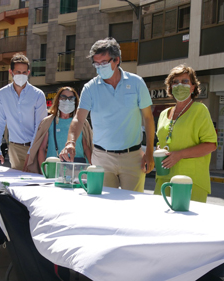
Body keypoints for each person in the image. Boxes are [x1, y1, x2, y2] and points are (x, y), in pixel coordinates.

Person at [60, 37, 155, 192]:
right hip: (102, 158)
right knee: (103, 205)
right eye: (96, 64)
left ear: (116, 60)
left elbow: (148, 118)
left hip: (133, 158)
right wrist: (70, 142)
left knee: (132, 208)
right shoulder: (90, 88)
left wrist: (149, 153)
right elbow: (78, 118)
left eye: (103, 62)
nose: (99, 67)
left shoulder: (137, 83)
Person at [153, 65, 217, 203]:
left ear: (193, 87)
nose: (179, 85)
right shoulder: (164, 114)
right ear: (170, 87)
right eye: (175, 82)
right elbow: (163, 141)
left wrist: (179, 155)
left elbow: (211, 145)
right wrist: (159, 149)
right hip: (164, 178)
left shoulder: (200, 110)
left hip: (190, 181)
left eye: (185, 81)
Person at [0, 53, 47, 171]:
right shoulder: (2, 94)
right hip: (15, 148)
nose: (21, 75)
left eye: (24, 72)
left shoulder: (38, 95)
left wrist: (31, 152)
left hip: (35, 148)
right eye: (18, 72)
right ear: (11, 72)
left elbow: (40, 126)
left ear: (28, 73)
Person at [26, 86, 93, 173]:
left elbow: (86, 147)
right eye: (64, 97)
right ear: (58, 100)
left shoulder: (81, 122)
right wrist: (44, 172)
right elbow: (41, 149)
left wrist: (92, 167)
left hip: (77, 167)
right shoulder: (48, 122)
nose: (67, 101)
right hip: (54, 167)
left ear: (75, 102)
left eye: (71, 98)